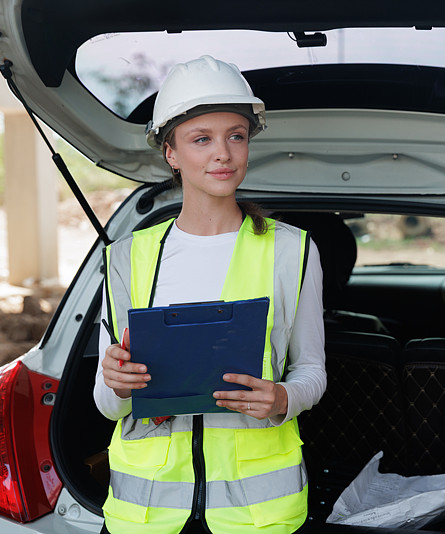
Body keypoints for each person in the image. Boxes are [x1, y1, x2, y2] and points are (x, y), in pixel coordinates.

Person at [94, 55, 327, 534]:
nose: (223, 153)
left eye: (235, 136)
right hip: (148, 514)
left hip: (257, 516)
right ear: (171, 153)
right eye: (202, 139)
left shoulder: (292, 250)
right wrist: (117, 383)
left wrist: (283, 397)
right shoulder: (126, 256)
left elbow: (311, 370)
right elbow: (109, 404)